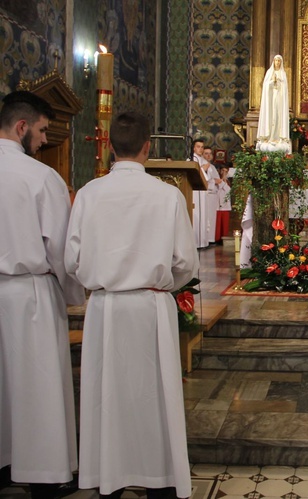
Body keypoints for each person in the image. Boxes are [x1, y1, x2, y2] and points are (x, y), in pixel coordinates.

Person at [66, 112, 199, 499]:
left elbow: (71, 261)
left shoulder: (89, 193)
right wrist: (159, 287)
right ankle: (160, 478)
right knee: (153, 395)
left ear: (109, 146)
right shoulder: (166, 195)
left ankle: (108, 477)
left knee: (106, 395)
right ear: (148, 147)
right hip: (150, 306)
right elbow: (186, 264)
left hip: (105, 308)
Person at [0, 91, 85, 498]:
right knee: (38, 385)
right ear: (21, 128)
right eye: (40, 131)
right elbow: (60, 250)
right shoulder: (40, 177)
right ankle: (46, 474)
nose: (41, 140)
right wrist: (74, 294)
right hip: (29, 292)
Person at [257, 54, 290, 152]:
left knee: (278, 118)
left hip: (279, 101)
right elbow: (266, 86)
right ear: (273, 62)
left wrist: (279, 82)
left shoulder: (283, 74)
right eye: (276, 60)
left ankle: (278, 137)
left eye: (279, 61)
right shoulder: (269, 72)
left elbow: (284, 89)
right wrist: (272, 82)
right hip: (270, 101)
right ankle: (269, 137)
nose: (277, 62)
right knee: (270, 117)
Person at [190, 138, 212, 248]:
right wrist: (203, 169)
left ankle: (202, 242)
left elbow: (209, 176)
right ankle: (195, 242)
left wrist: (205, 168)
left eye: (202, 147)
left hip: (203, 192)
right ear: (194, 148)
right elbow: (194, 173)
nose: (200, 149)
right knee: (197, 215)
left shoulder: (202, 159)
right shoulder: (191, 159)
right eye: (198, 146)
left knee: (203, 215)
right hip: (195, 192)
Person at [201, 146, 221, 244]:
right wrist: (214, 181)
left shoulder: (212, 167)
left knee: (212, 219)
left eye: (210, 153)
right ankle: (205, 239)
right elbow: (204, 180)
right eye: (206, 153)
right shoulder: (201, 165)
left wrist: (216, 181)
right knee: (206, 218)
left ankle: (211, 239)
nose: (208, 155)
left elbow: (218, 180)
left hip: (213, 196)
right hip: (206, 195)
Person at [214, 165, 231, 243]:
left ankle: (224, 240)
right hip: (217, 205)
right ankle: (217, 239)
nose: (224, 173)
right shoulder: (216, 180)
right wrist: (221, 181)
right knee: (217, 225)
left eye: (226, 171)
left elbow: (228, 190)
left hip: (225, 206)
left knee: (224, 225)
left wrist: (223, 182)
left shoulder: (228, 182)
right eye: (222, 171)